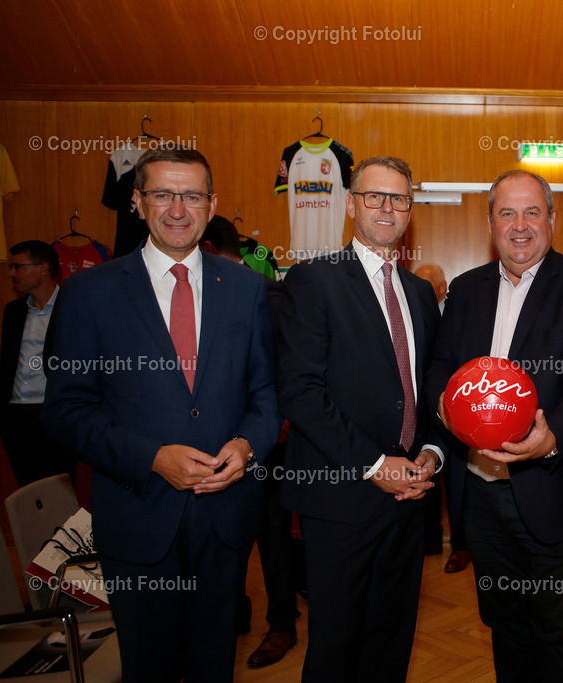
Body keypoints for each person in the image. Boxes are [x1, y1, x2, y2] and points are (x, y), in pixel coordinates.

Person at [41, 145, 281, 682]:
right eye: (163, 194)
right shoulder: (88, 292)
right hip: (137, 517)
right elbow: (65, 411)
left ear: (211, 203)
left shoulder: (246, 288)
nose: (178, 209)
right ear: (137, 201)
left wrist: (246, 446)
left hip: (225, 521)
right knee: (148, 668)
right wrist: (151, 457)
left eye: (192, 196)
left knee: (214, 664)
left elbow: (266, 395)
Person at [426, 169, 563, 682]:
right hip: (482, 500)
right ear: (490, 223)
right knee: (506, 628)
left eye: (532, 211)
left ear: (552, 218)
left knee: (557, 639)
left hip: (555, 493)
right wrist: (443, 403)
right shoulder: (465, 290)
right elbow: (440, 368)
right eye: (506, 213)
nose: (520, 225)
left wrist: (551, 437)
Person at [275, 156, 446, 682]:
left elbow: (432, 386)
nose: (387, 208)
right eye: (375, 196)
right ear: (351, 205)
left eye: (399, 198)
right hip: (342, 493)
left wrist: (432, 453)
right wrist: (376, 464)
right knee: (336, 642)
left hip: (411, 496)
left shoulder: (419, 293)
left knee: (391, 638)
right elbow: (300, 393)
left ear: (410, 210)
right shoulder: (312, 280)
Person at [200, 217, 301, 667]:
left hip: (267, 443)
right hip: (207, 448)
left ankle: (281, 624)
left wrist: (270, 426)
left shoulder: (266, 294)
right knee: (224, 540)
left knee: (273, 536)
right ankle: (231, 615)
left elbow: (287, 373)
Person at [0, 240, 76, 486]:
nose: (12, 273)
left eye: (18, 266)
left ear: (43, 269)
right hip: (16, 417)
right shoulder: (13, 310)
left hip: (55, 416)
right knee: (27, 494)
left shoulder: (73, 307)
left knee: (61, 493)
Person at [414, 262, 470, 572]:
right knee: (425, 474)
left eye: (429, 286)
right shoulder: (412, 310)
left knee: (455, 481)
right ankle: (430, 538)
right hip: (418, 412)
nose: (422, 291)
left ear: (440, 288)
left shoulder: (454, 313)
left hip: (452, 412)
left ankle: (460, 546)